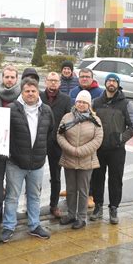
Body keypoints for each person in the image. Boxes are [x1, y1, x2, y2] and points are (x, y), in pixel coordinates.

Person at [0, 77, 54, 243]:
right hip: (16, 163)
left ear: (38, 92)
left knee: (34, 196)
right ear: (21, 92)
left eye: (33, 91)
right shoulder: (11, 109)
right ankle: (8, 227)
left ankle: (34, 225)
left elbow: (50, 133)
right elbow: (3, 134)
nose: (30, 94)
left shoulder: (46, 110)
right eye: (27, 91)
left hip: (37, 164)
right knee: (11, 197)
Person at [90, 73, 133, 224]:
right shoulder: (96, 102)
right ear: (105, 83)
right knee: (97, 179)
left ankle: (113, 209)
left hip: (117, 150)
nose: (111, 83)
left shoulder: (125, 104)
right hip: (98, 148)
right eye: (109, 81)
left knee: (115, 180)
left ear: (118, 84)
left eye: (114, 81)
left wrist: (120, 139)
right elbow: (89, 121)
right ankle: (98, 207)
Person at [57, 90, 103, 229]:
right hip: (69, 158)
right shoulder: (67, 117)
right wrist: (71, 150)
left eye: (84, 102)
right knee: (71, 189)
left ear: (89, 105)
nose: (81, 104)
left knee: (83, 190)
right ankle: (71, 214)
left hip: (86, 160)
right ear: (75, 102)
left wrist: (81, 151)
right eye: (79, 101)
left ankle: (82, 218)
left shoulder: (95, 120)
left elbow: (98, 139)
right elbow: (60, 135)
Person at [0, 64, 21, 224]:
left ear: (17, 78)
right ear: (2, 78)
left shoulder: (22, 97)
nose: (9, 79)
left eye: (12, 77)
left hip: (16, 146)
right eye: (6, 76)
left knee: (13, 180)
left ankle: (10, 208)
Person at [39, 72, 71, 218]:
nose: (53, 83)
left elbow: (69, 121)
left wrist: (62, 136)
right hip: (38, 142)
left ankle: (54, 205)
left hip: (56, 144)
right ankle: (32, 205)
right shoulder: (38, 96)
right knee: (35, 176)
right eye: (50, 80)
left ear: (59, 83)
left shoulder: (65, 99)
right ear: (46, 81)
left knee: (56, 176)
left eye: (55, 81)